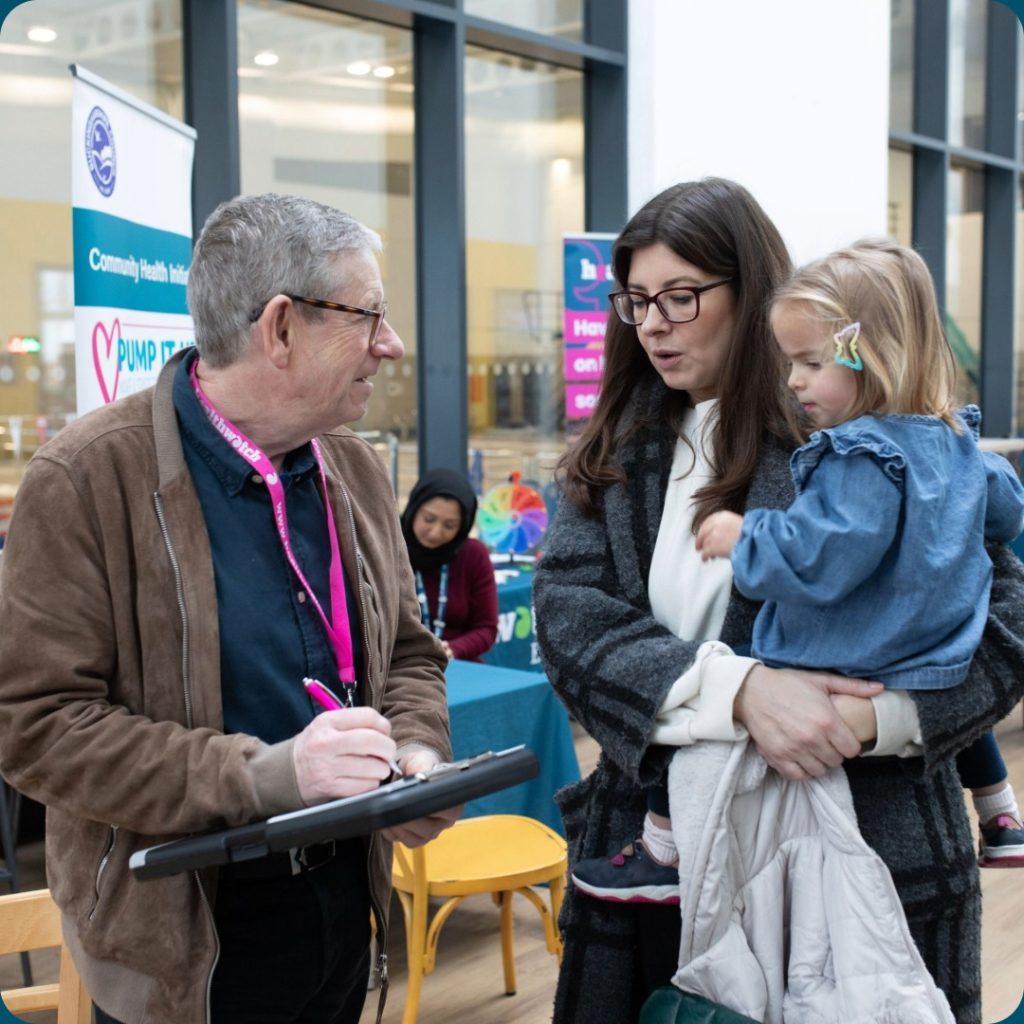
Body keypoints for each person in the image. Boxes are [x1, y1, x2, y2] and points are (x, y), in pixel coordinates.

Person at [532, 179, 1024, 1024]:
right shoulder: (617, 448)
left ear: (751, 290)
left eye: (681, 297)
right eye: (636, 300)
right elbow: (568, 615)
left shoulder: (869, 438)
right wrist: (743, 693)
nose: (652, 323)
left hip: (870, 838)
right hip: (656, 854)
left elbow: (1004, 620)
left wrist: (881, 720)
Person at [0, 193, 459, 1024]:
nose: (390, 346)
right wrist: (269, 777)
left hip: (343, 913)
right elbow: (35, 727)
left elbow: (409, 655)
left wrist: (416, 757)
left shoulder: (352, 472)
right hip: (182, 947)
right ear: (280, 328)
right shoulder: (85, 480)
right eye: (369, 317)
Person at [401, 467, 498, 663]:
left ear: (463, 526)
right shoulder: (388, 548)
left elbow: (486, 628)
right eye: (429, 519)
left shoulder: (473, 555)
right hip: (401, 665)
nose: (436, 532)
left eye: (449, 526)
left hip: (458, 665)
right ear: (414, 509)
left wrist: (453, 649)